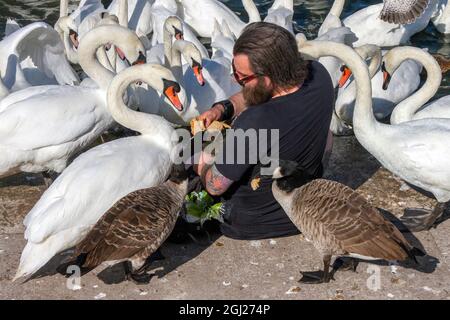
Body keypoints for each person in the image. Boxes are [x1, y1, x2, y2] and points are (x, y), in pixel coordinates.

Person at [193, 22, 334, 240]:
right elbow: (257, 94)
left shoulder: (256, 120)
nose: (235, 79)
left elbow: (215, 186)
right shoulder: (319, 75)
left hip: (251, 222)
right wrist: (223, 108)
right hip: (301, 207)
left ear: (267, 79)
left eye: (242, 77)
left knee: (185, 155)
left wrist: (200, 162)